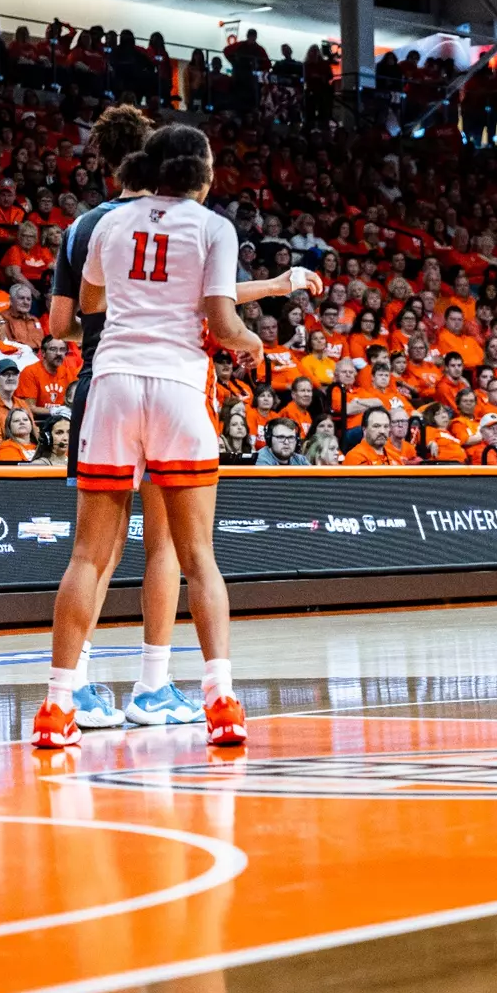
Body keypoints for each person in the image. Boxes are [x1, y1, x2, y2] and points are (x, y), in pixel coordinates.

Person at [47, 105, 322, 732]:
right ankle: (197, 694)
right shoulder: (211, 226)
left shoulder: (99, 227)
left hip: (108, 382)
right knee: (189, 552)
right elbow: (219, 317)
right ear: (203, 174)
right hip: (176, 383)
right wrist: (261, 343)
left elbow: (80, 311)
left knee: (90, 554)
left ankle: (61, 701)